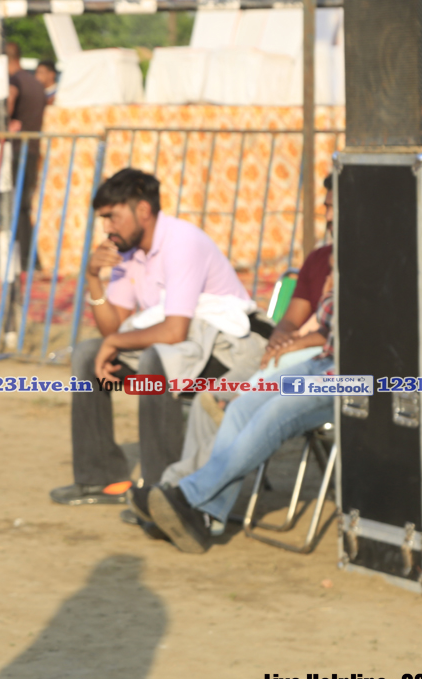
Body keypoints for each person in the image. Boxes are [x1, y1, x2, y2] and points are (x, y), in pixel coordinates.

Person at [128, 178, 334, 535]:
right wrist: (282, 340)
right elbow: (291, 320)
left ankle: (186, 498)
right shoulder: (323, 259)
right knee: (231, 405)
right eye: (327, 206)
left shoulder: (373, 259)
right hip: (314, 361)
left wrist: (300, 342)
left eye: (333, 207)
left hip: (353, 374)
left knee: (269, 411)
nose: (327, 215)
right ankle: (198, 512)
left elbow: (352, 334)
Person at [50, 168, 263, 506]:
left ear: (143, 211)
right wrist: (92, 277)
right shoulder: (128, 252)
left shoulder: (182, 242)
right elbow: (113, 329)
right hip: (187, 349)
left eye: (112, 216)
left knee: (157, 359)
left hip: (228, 352)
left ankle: (160, 491)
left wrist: (114, 343)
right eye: (103, 218)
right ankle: (99, 480)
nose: (106, 228)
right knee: (88, 354)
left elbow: (173, 331)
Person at [143, 265, 336, 554]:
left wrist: (336, 287)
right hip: (323, 360)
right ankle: (206, 515)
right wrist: (293, 341)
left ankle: (188, 497)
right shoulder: (337, 261)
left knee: (275, 412)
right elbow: (327, 329)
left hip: (358, 377)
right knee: (242, 406)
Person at [5, 41, 47, 264]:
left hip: (18, 148)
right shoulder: (36, 83)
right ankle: (29, 258)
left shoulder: (15, 81)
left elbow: (10, 102)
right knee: (24, 205)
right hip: (33, 148)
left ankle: (27, 259)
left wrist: (5, 120)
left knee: (17, 205)